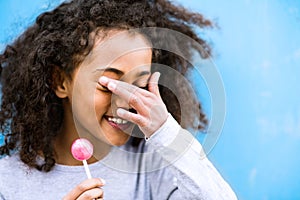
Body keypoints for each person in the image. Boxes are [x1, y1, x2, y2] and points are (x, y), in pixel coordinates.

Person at [0, 0, 237, 199]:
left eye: (140, 85)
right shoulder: (6, 183)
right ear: (60, 82)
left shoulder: (154, 166)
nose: (125, 101)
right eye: (107, 85)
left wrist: (165, 132)